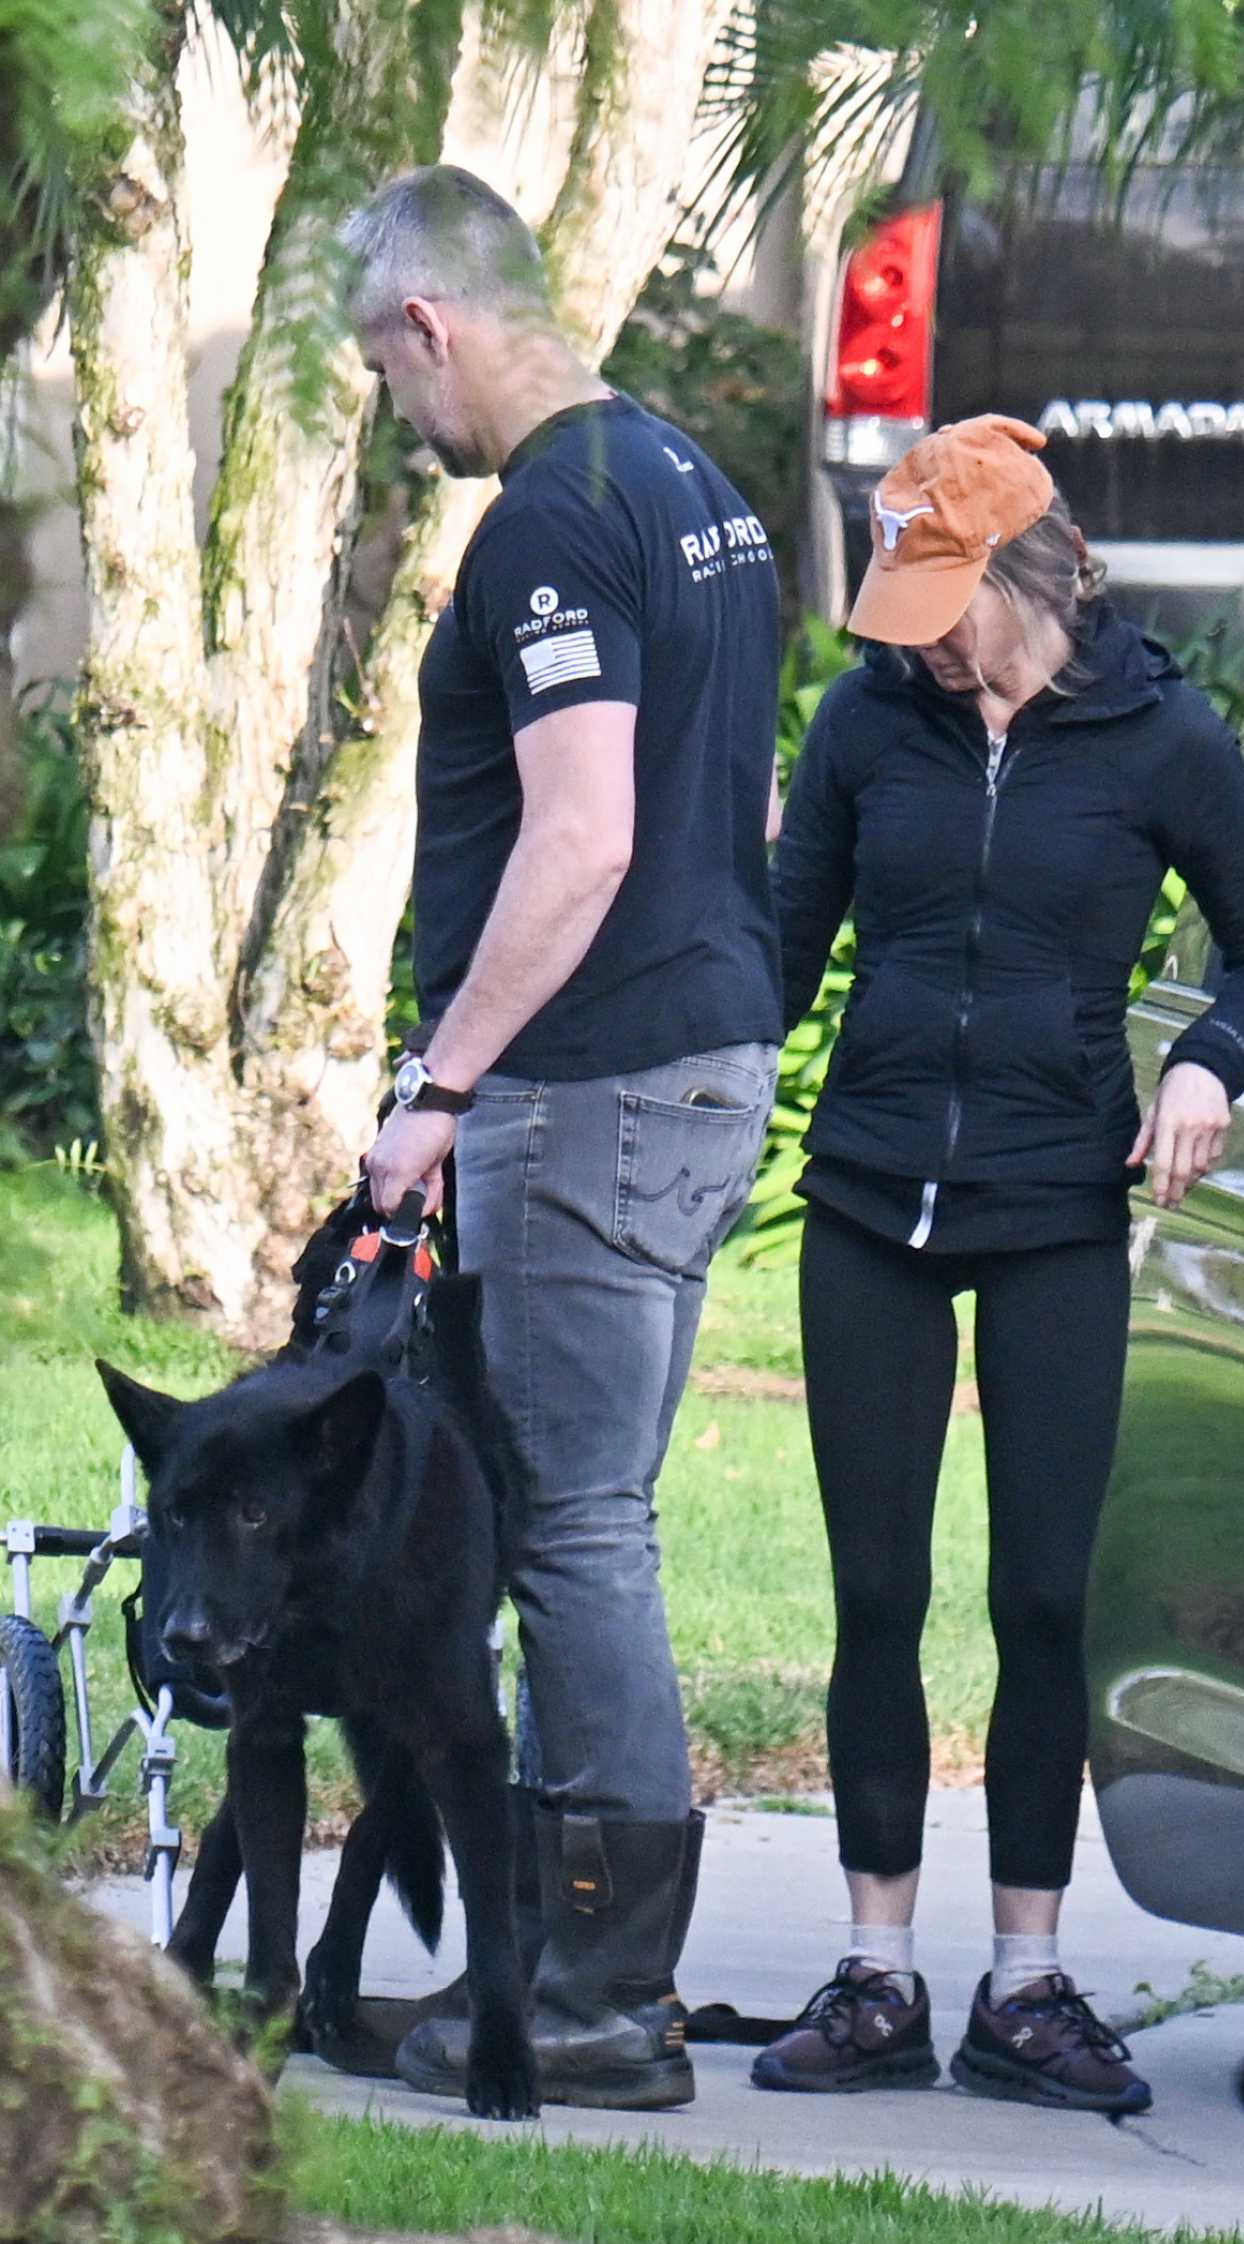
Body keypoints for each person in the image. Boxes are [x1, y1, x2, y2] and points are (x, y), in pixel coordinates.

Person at [754, 415, 1244, 2111]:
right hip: (871, 1205)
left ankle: (1024, 1980)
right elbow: (781, 949)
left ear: (1019, 580)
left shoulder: (1162, 738)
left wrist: (1209, 1058)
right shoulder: (868, 723)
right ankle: (873, 1976)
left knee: (1046, 1602)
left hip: (1057, 1205)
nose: (910, 636)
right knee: (877, 1595)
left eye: (938, 597)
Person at [341, 165, 782, 2111]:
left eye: (373, 361)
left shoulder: (545, 526)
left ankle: (600, 1998)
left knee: (578, 1531)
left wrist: (439, 1087)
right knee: (590, 1518)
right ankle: (567, 1972)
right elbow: (733, 797)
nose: (379, 402)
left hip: (590, 1089)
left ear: (429, 325)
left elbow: (585, 832)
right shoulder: (695, 487)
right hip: (696, 1056)